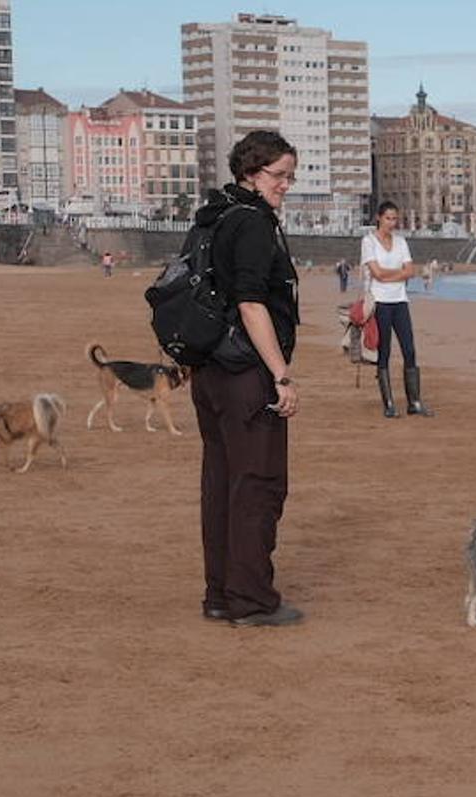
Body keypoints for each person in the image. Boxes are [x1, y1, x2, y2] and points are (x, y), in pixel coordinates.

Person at [190, 129, 303, 627]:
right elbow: (251, 301)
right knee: (257, 485)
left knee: (221, 483)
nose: (285, 185)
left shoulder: (211, 217)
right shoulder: (254, 223)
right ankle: (252, 601)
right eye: (279, 175)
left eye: (290, 176)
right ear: (250, 173)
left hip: (209, 370)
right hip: (245, 374)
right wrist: (281, 374)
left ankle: (220, 593)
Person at [361, 200, 431, 418]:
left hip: (400, 301)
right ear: (379, 218)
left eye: (395, 218)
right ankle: (389, 403)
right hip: (380, 302)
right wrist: (396, 274)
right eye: (388, 218)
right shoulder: (369, 241)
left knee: (409, 349)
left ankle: (414, 402)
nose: (392, 222)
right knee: (384, 351)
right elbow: (377, 273)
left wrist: (390, 274)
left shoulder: (401, 242)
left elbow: (410, 270)